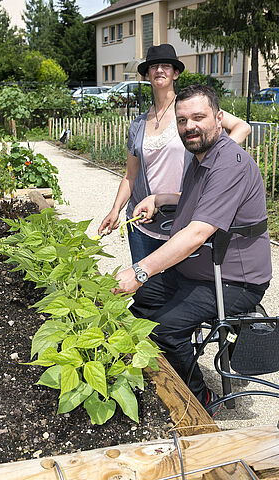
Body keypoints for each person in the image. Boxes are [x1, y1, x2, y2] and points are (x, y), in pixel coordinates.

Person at [112, 84, 272, 415]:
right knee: (139, 308)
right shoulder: (199, 157)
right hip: (197, 269)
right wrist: (160, 199)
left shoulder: (231, 163)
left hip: (234, 280)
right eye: (182, 120)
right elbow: (194, 204)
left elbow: (197, 232)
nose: (190, 126)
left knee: (166, 331)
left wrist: (140, 270)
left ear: (218, 117)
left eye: (198, 117)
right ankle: (153, 377)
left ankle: (201, 401)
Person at [98, 44, 251, 263]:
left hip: (183, 221)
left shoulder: (190, 113)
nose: (159, 70)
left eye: (165, 66)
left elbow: (242, 127)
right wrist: (114, 210)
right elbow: (130, 176)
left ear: (175, 73)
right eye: (153, 66)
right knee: (145, 290)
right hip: (143, 223)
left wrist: (216, 156)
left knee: (178, 291)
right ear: (147, 74)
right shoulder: (138, 125)